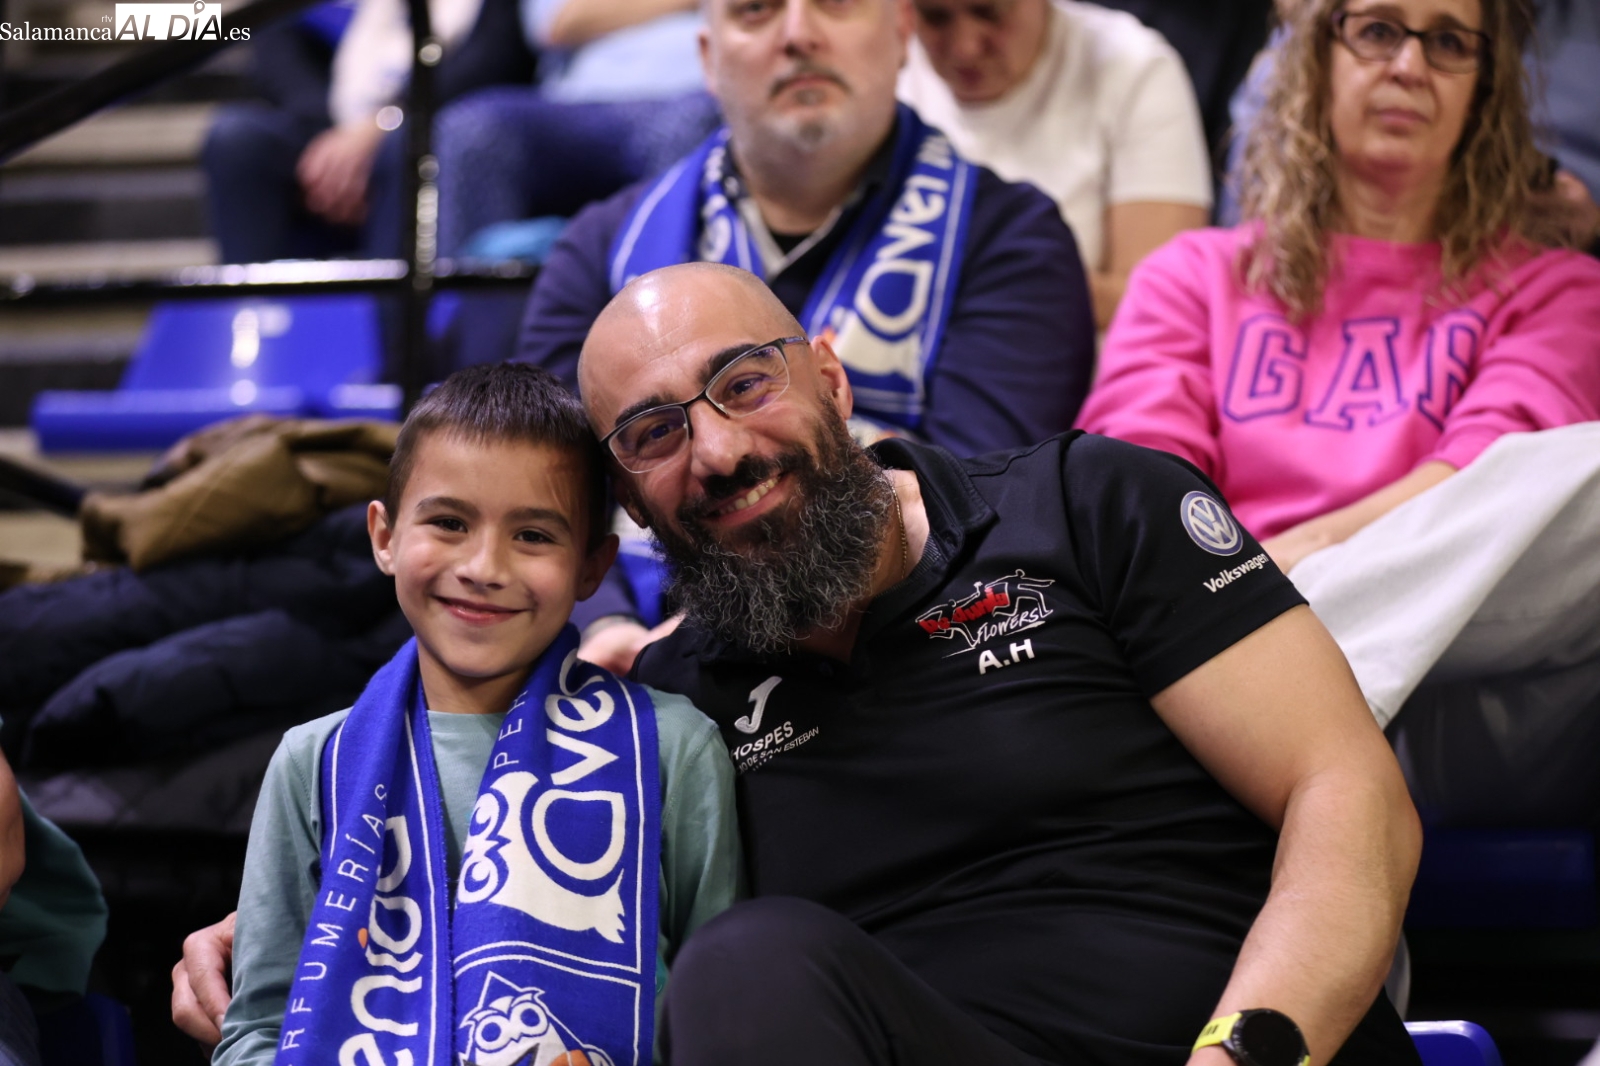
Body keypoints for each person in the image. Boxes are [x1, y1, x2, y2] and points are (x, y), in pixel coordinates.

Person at [174, 261, 1423, 1063]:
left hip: (1247, 1045)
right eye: (654, 434)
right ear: (630, 507)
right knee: (747, 963)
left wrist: (1242, 1053)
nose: (714, 451)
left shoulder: (1085, 505)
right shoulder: (665, 710)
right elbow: (499, 890)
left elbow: (1345, 787)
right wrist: (312, 910)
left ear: (828, 375)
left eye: (741, 384)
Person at [519, 0, 1097, 669]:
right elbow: (553, 492)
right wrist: (606, 623)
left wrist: (685, 644)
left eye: (837, 2)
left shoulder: (1012, 239)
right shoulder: (600, 252)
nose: (798, 34)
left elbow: (968, 495)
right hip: (628, 663)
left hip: (912, 652)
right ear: (708, 58)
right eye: (756, 10)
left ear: (903, 32)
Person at [207, 363, 740, 1066]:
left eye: (534, 536)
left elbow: (724, 1021)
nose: (484, 566)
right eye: (450, 523)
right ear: (384, 536)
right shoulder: (314, 761)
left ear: (593, 566)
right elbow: (258, 1032)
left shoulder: (672, 748)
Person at [1080, 0, 1600, 573]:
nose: (1408, 66)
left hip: (1439, 610)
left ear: (1483, 90)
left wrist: (1260, 579)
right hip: (1206, 624)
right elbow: (1139, 489)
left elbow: (1486, 490)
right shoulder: (1190, 277)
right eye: (1376, 31)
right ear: (1315, 60)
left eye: (1450, 44)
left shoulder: (1557, 293)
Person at [897, 0, 1212, 327]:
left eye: (989, 13)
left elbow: (1166, 303)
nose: (965, 47)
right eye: (935, 18)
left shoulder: (1134, 67)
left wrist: (974, 282)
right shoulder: (881, 62)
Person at [202, 0, 534, 262]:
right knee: (237, 139)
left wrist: (386, 123)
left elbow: (494, 58)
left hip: (435, 120)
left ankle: (396, 336)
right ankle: (252, 320)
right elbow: (277, 44)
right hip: (332, 123)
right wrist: (335, 139)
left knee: (405, 148)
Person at [433, 0, 723, 258]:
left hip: (693, 94)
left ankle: (671, 306)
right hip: (574, 104)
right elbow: (560, 22)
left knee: (689, 128)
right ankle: (465, 311)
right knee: (470, 129)